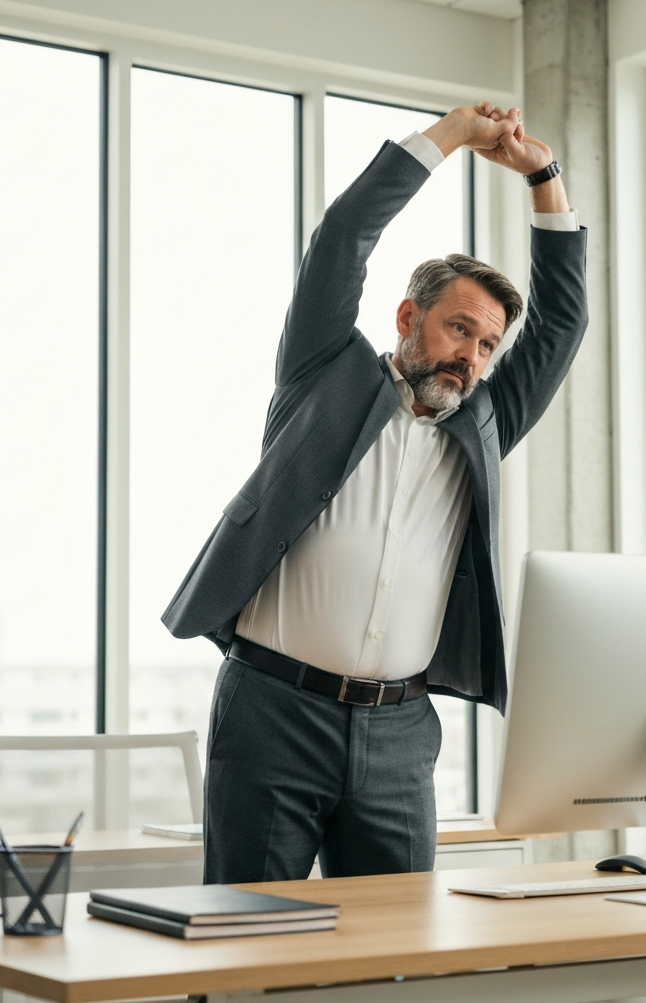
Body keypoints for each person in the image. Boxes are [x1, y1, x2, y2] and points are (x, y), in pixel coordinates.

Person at [162, 102, 588, 884]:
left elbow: (561, 324)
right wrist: (453, 135)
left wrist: (543, 178)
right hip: (272, 716)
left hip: (399, 732)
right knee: (250, 953)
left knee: (394, 964)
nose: (473, 356)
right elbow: (342, 237)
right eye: (460, 330)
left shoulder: (485, 422)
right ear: (408, 317)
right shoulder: (325, 373)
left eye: (488, 344)